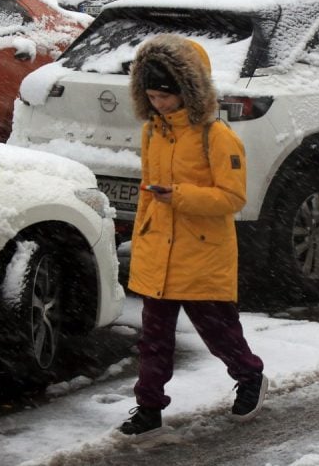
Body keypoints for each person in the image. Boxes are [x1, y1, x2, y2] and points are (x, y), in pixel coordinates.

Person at [118, 34, 267, 436]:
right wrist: (144, 239)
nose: (159, 104)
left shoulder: (216, 136)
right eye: (151, 97)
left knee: (218, 331)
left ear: (188, 91)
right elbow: (149, 196)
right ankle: (148, 409)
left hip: (202, 254)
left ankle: (250, 376)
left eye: (166, 96)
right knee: (153, 341)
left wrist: (180, 197)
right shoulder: (152, 133)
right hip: (158, 254)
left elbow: (232, 197)